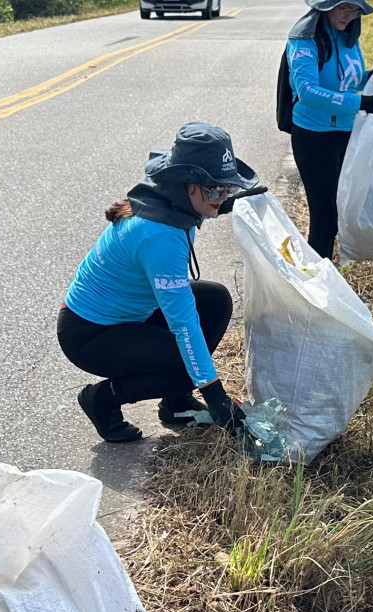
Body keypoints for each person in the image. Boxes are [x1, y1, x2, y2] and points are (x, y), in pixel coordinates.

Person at [59, 122, 261, 442]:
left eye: (228, 188)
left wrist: (230, 200)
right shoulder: (158, 235)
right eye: (214, 190)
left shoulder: (168, 198)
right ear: (186, 182)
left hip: (130, 314)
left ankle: (176, 402)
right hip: (90, 334)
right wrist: (215, 396)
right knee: (187, 361)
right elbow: (183, 324)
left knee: (215, 300)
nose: (221, 198)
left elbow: (205, 204)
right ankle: (103, 398)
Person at [277, 0, 373, 260]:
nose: (349, 15)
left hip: (346, 134)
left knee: (343, 212)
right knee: (324, 217)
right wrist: (362, 102)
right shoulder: (303, 41)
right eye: (343, 8)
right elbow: (308, 91)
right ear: (325, 7)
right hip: (314, 138)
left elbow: (348, 79)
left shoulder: (348, 37)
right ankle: (317, 283)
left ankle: (329, 273)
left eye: (355, 9)